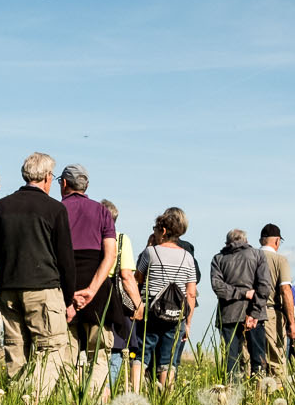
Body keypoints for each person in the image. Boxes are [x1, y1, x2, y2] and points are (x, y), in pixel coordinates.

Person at [0, 152, 76, 398]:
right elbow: (65, 259)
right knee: (52, 350)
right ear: (47, 177)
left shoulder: (2, 206)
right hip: (44, 289)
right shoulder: (54, 209)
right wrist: (68, 299)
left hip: (9, 290)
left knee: (16, 350)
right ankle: (32, 404)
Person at [58, 165, 118, 388]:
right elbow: (110, 255)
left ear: (64, 183)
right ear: (86, 186)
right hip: (98, 292)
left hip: (64, 288)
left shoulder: (57, 209)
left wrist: (68, 294)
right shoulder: (102, 212)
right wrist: (91, 290)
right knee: (99, 355)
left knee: (66, 353)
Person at [135, 208, 199, 386]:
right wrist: (188, 322)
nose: (153, 232)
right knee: (167, 361)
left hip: (152, 312)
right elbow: (191, 293)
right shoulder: (188, 257)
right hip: (176, 315)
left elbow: (138, 279)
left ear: (163, 231)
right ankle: (166, 400)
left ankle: (135, 393)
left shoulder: (151, 252)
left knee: (141, 356)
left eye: (155, 229)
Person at [210, 228, 272, 378]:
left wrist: (238, 293)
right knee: (258, 359)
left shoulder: (218, 258)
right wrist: (254, 312)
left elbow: (218, 287)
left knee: (232, 361)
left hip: (228, 315)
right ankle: (259, 395)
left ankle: (231, 394)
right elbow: (264, 286)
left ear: (227, 242)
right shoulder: (258, 255)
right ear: (246, 241)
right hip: (254, 316)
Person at [96, 200, 142, 389]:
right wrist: (139, 305)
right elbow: (127, 276)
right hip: (115, 300)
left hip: (91, 296)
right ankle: (105, 392)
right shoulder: (121, 239)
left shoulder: (89, 237)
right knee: (115, 348)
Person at [257, 225, 295, 383]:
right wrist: (291, 322)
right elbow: (285, 291)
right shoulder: (280, 260)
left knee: (252, 361)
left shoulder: (251, 256)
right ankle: (278, 394)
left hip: (248, 313)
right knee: (276, 360)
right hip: (271, 313)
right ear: (277, 241)